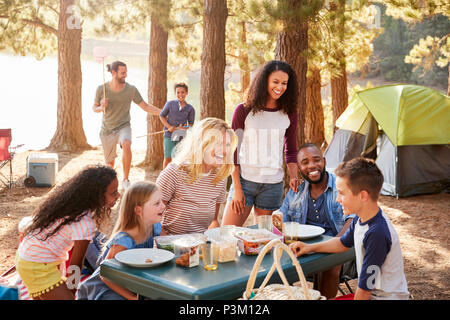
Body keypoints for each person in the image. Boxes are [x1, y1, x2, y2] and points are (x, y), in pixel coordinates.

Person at [289, 157, 409, 300]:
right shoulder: (362, 217)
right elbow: (342, 243)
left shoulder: (377, 233)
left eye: (342, 193)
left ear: (363, 196)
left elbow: (364, 291)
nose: (337, 199)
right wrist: (309, 247)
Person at [15, 165, 120, 300]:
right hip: (36, 264)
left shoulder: (70, 206)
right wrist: (71, 292)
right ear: (97, 196)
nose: (118, 195)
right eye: (113, 193)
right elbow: (76, 265)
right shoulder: (84, 223)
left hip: (28, 257)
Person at [221, 60, 300, 227]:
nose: (280, 87)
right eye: (276, 82)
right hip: (245, 181)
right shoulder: (244, 110)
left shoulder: (290, 113)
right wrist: (237, 189)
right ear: (265, 81)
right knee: (226, 235)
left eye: (284, 83)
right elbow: (233, 151)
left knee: (262, 240)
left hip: (273, 185)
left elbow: (291, 149)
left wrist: (293, 175)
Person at [279, 143, 356, 299]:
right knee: (278, 264)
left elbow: (352, 219)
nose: (312, 165)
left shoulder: (340, 186)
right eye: (305, 162)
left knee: (331, 264)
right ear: (299, 168)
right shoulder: (296, 191)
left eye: (316, 160)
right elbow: (282, 219)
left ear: (324, 161)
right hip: (304, 247)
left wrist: (336, 242)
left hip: (340, 246)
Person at [76, 181, 165, 300]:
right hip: (106, 288)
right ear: (138, 211)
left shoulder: (155, 227)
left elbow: (165, 250)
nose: (163, 206)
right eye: (157, 203)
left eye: (162, 201)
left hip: (130, 284)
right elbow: (105, 274)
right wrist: (132, 298)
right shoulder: (124, 241)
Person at [156, 117, 238, 235]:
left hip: (199, 246)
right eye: (219, 144)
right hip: (170, 245)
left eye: (228, 145)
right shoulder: (173, 172)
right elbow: (153, 221)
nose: (225, 151)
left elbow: (213, 222)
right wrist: (171, 246)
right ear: (202, 144)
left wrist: (220, 240)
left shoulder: (220, 177)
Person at [92, 60, 161, 190]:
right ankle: (111, 184)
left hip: (124, 125)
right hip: (107, 129)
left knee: (126, 143)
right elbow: (94, 108)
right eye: (122, 73)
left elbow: (145, 106)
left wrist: (163, 112)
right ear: (113, 73)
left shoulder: (131, 90)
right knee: (110, 163)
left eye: (126, 72)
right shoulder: (102, 89)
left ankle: (125, 179)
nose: (125, 75)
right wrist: (101, 107)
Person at [159, 82, 196, 168]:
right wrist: (169, 127)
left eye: (182, 92)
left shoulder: (190, 109)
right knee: (168, 158)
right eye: (178, 92)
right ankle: (165, 177)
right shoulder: (170, 104)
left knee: (178, 159)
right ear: (175, 93)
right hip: (169, 135)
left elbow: (190, 125)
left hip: (181, 136)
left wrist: (183, 128)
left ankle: (177, 178)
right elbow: (161, 115)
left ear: (186, 93)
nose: (180, 94)